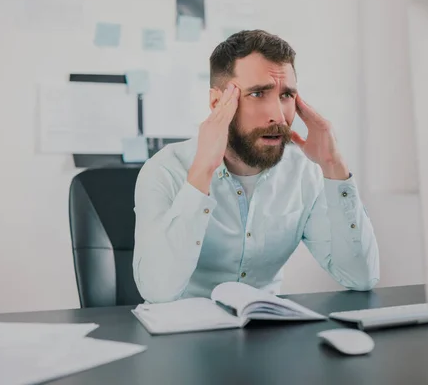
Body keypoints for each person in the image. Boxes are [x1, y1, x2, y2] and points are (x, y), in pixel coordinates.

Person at [132, 30, 379, 303]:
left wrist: (334, 166)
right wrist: (202, 171)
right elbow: (157, 292)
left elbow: (361, 277)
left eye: (286, 95)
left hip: (265, 332)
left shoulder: (304, 173)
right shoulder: (165, 170)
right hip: (181, 335)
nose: (278, 115)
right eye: (258, 93)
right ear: (217, 103)